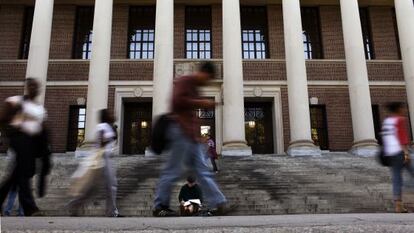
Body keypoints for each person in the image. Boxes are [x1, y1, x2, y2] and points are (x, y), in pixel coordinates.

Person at [152, 62, 228, 217]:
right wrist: (202, 102)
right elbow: (176, 101)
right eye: (208, 78)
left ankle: (219, 202)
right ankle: (160, 206)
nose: (207, 82)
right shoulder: (185, 81)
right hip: (179, 131)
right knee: (172, 170)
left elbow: (191, 114)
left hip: (191, 136)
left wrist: (199, 137)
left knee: (203, 171)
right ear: (203, 73)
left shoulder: (194, 87)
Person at [0, 78, 47, 216]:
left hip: (31, 143)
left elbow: (43, 129)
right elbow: (2, 119)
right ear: (26, 87)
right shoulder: (15, 101)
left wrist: (44, 149)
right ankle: (29, 207)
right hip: (19, 138)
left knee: (17, 174)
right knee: (24, 172)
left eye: (36, 86)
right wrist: (10, 135)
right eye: (31, 85)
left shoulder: (39, 109)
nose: (34, 88)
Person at [67, 109, 121, 217]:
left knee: (108, 185)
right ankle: (74, 205)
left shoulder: (110, 127)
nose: (113, 115)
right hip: (101, 158)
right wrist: (111, 137)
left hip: (106, 158)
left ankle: (111, 212)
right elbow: (101, 142)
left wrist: (113, 134)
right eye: (110, 113)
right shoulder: (102, 126)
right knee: (94, 187)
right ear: (105, 116)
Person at [381, 102, 414, 213]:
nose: (403, 110)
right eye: (402, 108)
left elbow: (385, 138)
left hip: (390, 153)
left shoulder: (387, 121)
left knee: (396, 177)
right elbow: (402, 137)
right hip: (400, 152)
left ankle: (398, 204)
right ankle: (408, 189)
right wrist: (406, 153)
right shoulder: (399, 119)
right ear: (398, 109)